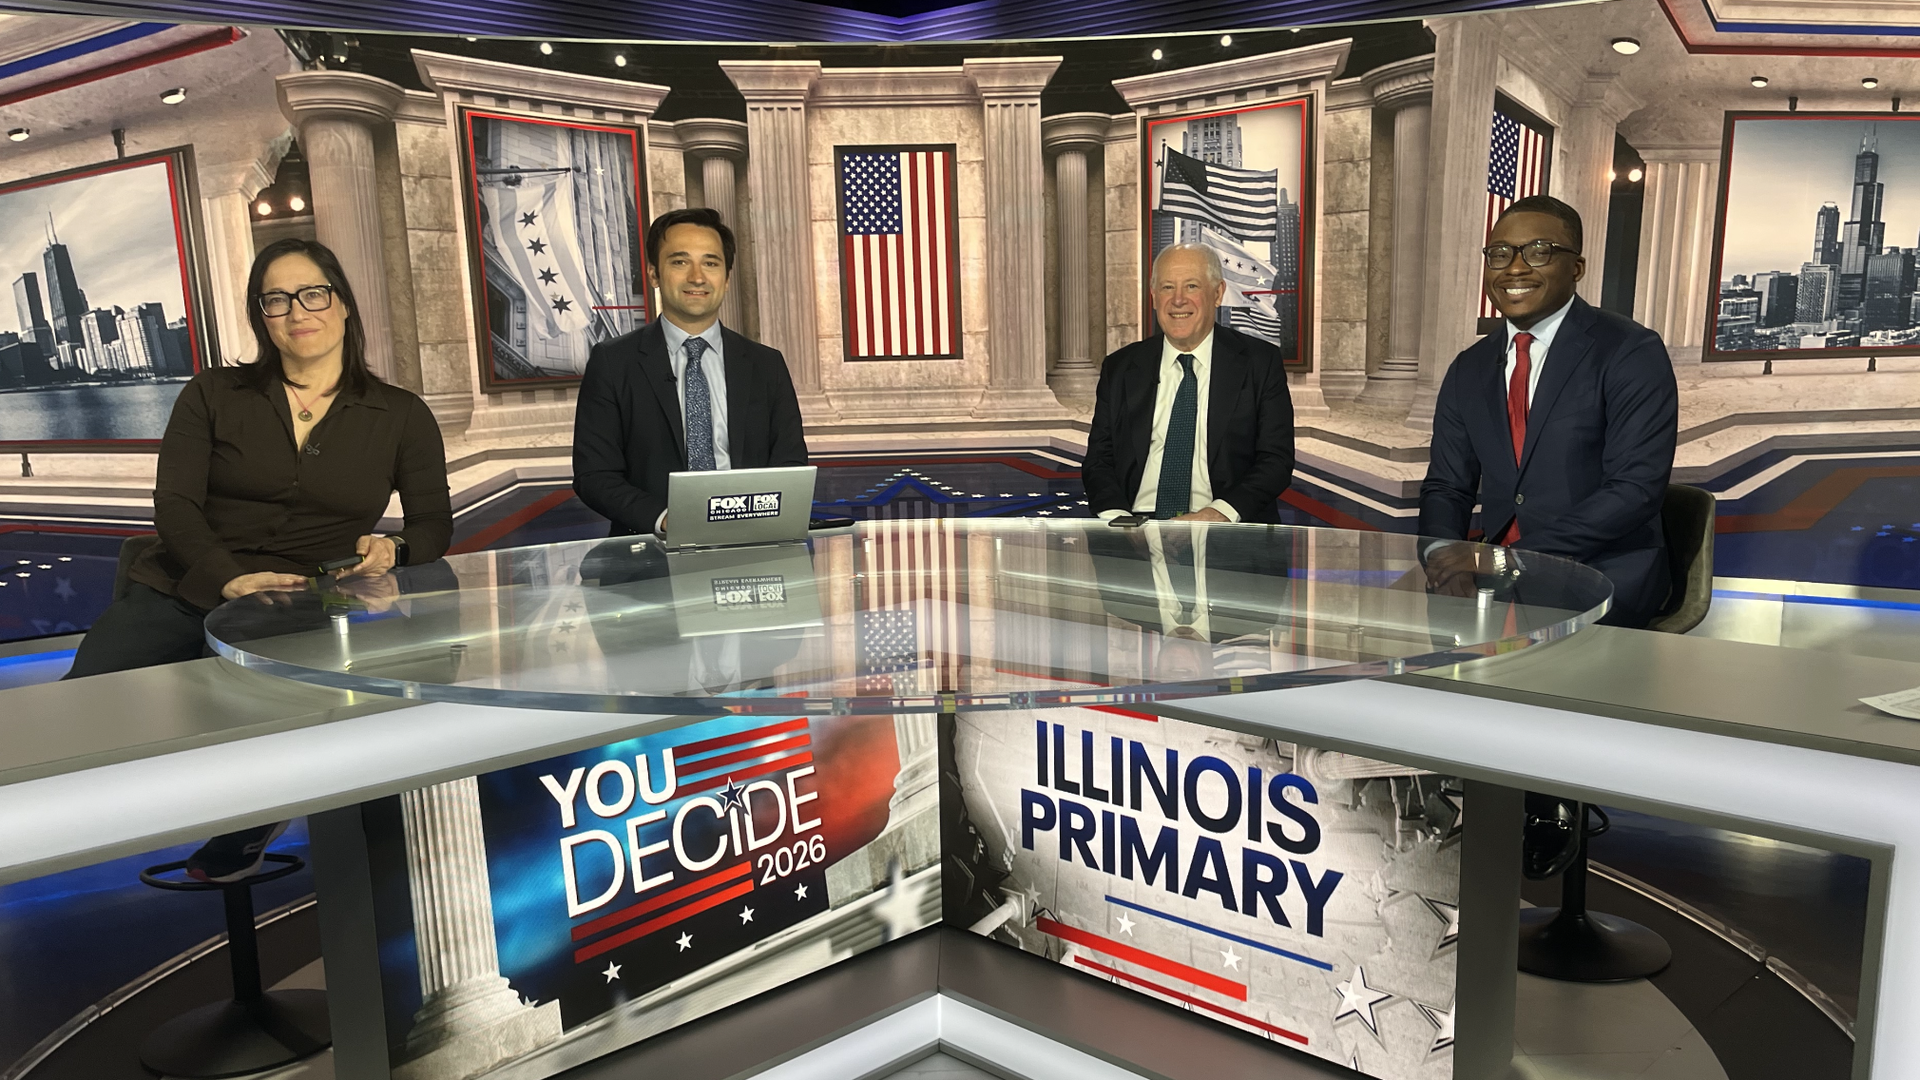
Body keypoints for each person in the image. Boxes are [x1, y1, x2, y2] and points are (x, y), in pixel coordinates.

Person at [63, 236, 452, 878]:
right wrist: (230, 577)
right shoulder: (214, 393)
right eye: (276, 300)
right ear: (260, 316)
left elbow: (433, 523)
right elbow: (175, 508)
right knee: (77, 712)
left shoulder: (400, 414)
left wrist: (396, 546)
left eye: (313, 293)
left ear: (344, 304)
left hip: (308, 602)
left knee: (312, 727)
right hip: (187, 585)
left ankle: (247, 826)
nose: (298, 311)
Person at [1419, 195, 1679, 628]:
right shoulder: (1469, 367)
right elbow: (1447, 485)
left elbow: (1635, 489)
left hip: (1600, 572)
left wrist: (1509, 561)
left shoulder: (1630, 351)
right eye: (1499, 254)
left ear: (1576, 268)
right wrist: (1442, 556)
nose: (1514, 268)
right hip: (1493, 574)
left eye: (1538, 251)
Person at [573, 207, 808, 537]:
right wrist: (669, 520)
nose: (697, 277)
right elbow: (594, 474)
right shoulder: (612, 362)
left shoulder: (766, 365)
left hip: (754, 546)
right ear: (654, 274)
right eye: (680, 261)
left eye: (711, 263)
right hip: (651, 556)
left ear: (726, 279)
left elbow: (791, 463)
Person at [1083, 242, 1296, 525]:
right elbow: (1098, 461)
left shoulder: (1259, 362)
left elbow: (1275, 459)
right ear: (1154, 296)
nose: (1178, 300)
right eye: (1167, 287)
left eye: (1192, 286)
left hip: (1225, 526)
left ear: (1218, 293)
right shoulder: (1120, 367)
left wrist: (1217, 514)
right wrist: (1119, 521)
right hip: (1135, 524)